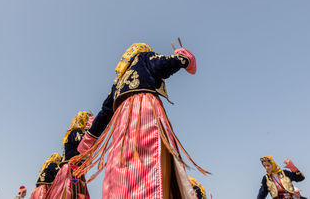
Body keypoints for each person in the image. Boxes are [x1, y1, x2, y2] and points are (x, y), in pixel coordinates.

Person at [71, 42, 208, 199]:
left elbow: (104, 114)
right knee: (147, 168)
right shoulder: (144, 58)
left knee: (121, 173)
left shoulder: (118, 81)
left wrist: (83, 147)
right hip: (144, 113)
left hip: (121, 126)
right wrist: (185, 57)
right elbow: (163, 64)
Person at [48, 111, 94, 199]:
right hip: (71, 169)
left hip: (74, 169)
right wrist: (92, 130)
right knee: (72, 193)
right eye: (88, 120)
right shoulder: (76, 132)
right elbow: (85, 141)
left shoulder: (73, 132)